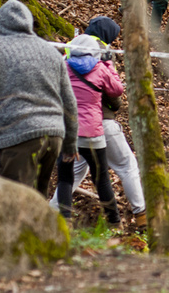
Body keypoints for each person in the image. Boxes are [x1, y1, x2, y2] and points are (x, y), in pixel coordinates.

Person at [0, 0, 78, 197]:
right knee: (36, 202)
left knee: (10, 204)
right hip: (54, 137)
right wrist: (70, 143)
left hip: (17, 137)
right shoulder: (51, 52)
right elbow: (69, 102)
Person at [50, 18, 147, 229]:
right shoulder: (101, 54)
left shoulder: (70, 51)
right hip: (100, 124)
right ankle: (140, 214)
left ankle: (50, 213)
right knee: (125, 166)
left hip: (70, 127)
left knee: (72, 175)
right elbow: (115, 94)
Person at [55, 34, 124, 226]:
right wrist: (109, 64)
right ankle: (114, 222)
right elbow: (117, 90)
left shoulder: (64, 67)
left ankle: (65, 221)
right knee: (101, 179)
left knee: (65, 178)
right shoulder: (100, 69)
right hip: (93, 134)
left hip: (68, 133)